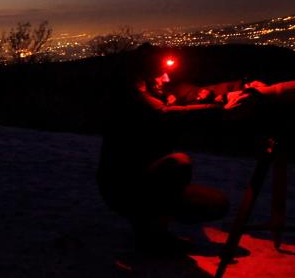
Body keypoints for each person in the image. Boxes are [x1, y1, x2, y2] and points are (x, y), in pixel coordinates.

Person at [98, 45, 231, 254]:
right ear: (144, 76)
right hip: (122, 187)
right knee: (177, 164)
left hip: (148, 181)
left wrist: (239, 88)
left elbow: (191, 91)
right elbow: (165, 114)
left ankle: (151, 219)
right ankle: (151, 235)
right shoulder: (134, 102)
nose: (167, 79)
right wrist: (219, 109)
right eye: (161, 74)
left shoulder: (157, 91)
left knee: (217, 203)